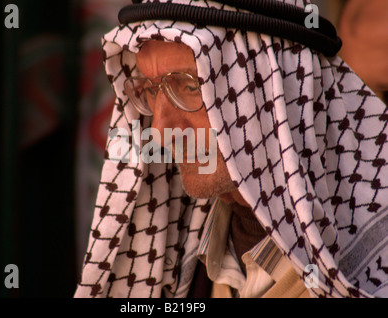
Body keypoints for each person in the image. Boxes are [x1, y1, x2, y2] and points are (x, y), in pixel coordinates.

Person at [75, 0, 388, 298]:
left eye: (189, 86)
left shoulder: (372, 267)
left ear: (272, 90)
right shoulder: (181, 261)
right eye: (151, 90)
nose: (159, 130)